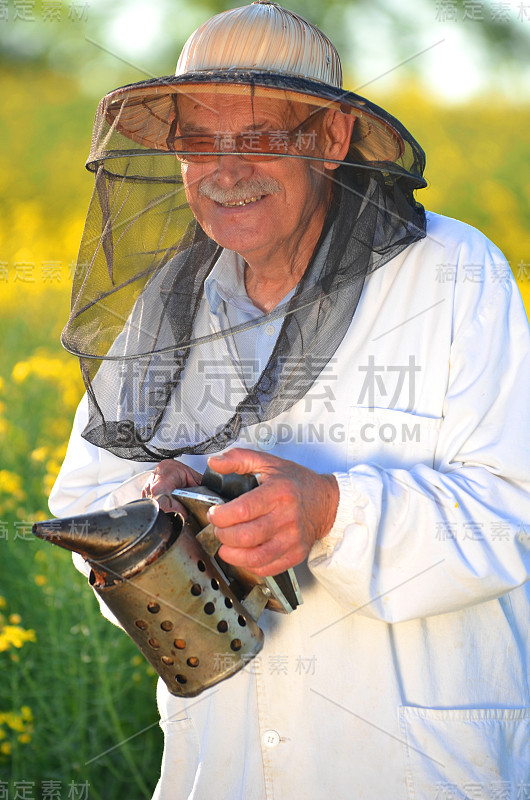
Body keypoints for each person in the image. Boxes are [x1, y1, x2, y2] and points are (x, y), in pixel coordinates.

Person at [49, 2, 530, 798]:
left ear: (332, 140)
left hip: (419, 766)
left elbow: (514, 514)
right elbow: (88, 508)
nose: (226, 171)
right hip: (226, 765)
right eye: (199, 141)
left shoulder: (453, 272)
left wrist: (331, 512)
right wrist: (155, 522)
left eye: (261, 138)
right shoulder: (165, 304)